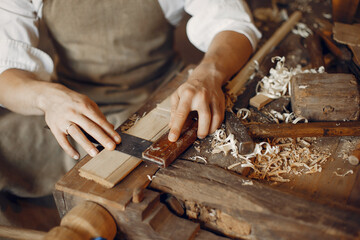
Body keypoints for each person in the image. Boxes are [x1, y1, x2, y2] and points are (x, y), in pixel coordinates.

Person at [0, 0, 261, 197]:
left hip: (162, 102)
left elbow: (232, 24)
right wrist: (46, 97)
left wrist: (208, 74)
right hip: (68, 106)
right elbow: (5, 72)